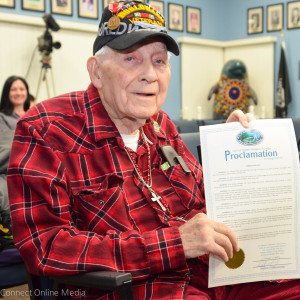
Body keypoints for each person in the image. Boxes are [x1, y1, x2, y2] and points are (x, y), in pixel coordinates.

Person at [7, 1, 300, 299]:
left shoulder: (161, 125)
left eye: (160, 61)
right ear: (96, 72)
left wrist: (230, 154)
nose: (150, 74)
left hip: (217, 271)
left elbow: (205, 201)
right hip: (142, 287)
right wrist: (175, 243)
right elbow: (45, 245)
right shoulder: (46, 130)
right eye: (131, 59)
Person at [0, 76, 30, 251]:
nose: (18, 93)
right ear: (7, 93)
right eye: (14, 89)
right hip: (11, 166)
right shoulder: (2, 117)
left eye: (21, 89)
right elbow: (6, 144)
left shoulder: (36, 112)